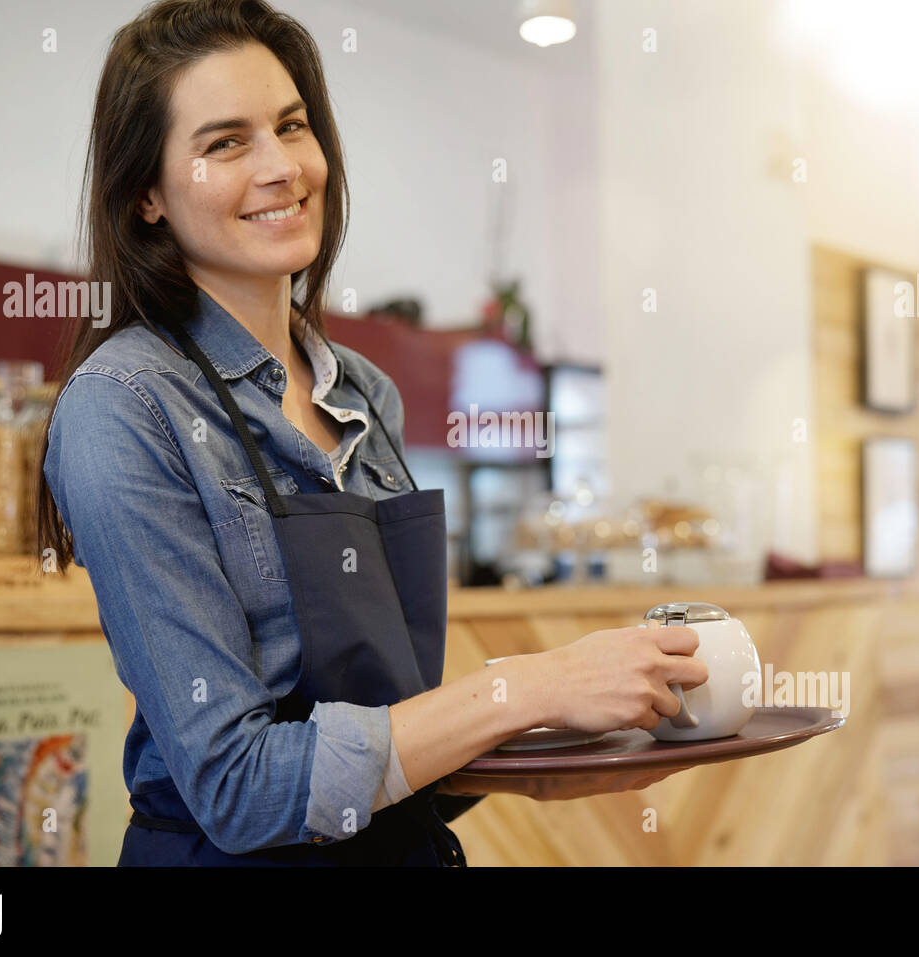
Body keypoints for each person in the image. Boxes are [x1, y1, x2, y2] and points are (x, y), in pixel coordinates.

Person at [36, 0, 707, 867]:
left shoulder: (368, 396)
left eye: (291, 125)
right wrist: (523, 687)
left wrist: (535, 755)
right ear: (147, 197)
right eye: (226, 142)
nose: (283, 166)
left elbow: (378, 734)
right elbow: (236, 787)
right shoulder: (125, 405)